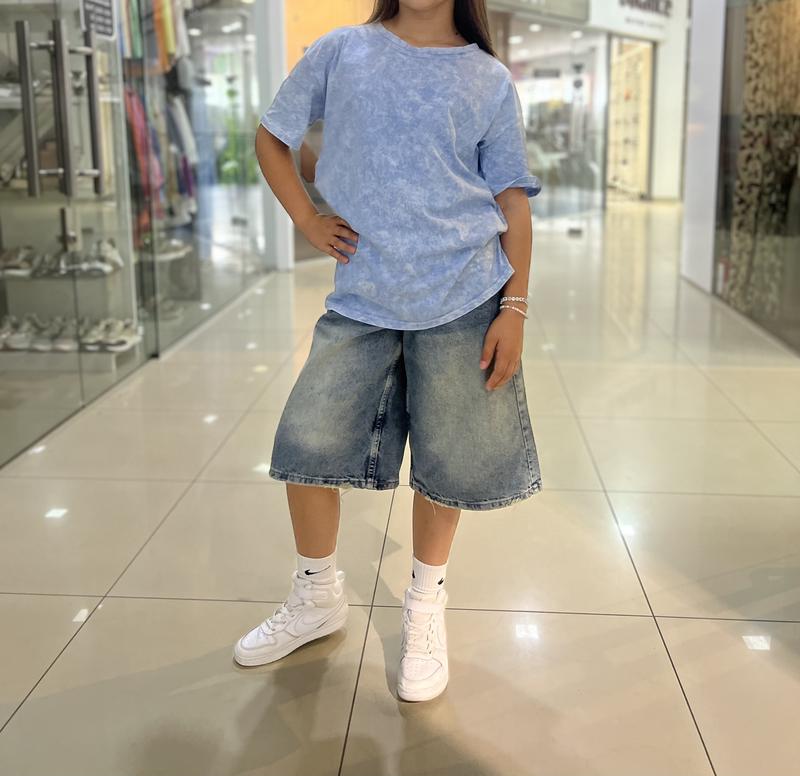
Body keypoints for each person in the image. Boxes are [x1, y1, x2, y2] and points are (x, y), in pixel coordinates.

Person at [234, 0, 543, 703]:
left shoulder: (487, 78)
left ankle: (425, 605)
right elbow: (273, 137)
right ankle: (316, 595)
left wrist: (515, 308)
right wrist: (307, 217)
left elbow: (512, 202)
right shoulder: (342, 50)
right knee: (307, 440)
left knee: (447, 459)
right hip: (362, 297)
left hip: (465, 294)